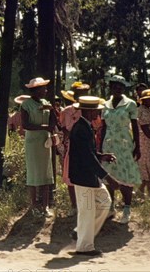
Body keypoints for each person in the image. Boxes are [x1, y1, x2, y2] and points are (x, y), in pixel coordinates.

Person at [69, 96, 120, 257]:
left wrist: (102, 156)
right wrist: (108, 177)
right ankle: (84, 246)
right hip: (83, 176)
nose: (99, 112)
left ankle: (80, 232)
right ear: (90, 111)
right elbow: (87, 157)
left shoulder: (85, 126)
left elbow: (89, 153)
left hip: (87, 175)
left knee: (105, 202)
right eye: (97, 110)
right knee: (87, 211)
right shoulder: (82, 128)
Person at [100, 74, 141, 224]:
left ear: (124, 88)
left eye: (121, 86)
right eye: (115, 86)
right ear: (110, 87)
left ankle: (127, 209)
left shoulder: (130, 104)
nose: (118, 89)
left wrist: (138, 146)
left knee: (125, 176)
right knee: (110, 175)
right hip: (109, 143)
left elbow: (135, 127)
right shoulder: (105, 104)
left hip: (124, 143)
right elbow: (103, 127)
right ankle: (111, 207)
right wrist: (100, 146)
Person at [21, 77, 57, 217]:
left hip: (45, 141)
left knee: (46, 173)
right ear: (35, 90)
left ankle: (45, 205)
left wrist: (52, 110)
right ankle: (34, 205)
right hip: (33, 142)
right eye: (43, 88)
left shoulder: (46, 103)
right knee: (33, 173)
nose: (45, 91)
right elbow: (26, 125)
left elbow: (53, 123)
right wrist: (44, 127)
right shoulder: (26, 105)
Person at [59, 81, 91, 213]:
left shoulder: (91, 109)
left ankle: (87, 205)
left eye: (85, 94)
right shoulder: (67, 111)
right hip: (72, 146)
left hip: (88, 145)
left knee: (88, 174)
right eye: (80, 94)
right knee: (71, 175)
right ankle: (74, 205)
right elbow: (63, 129)